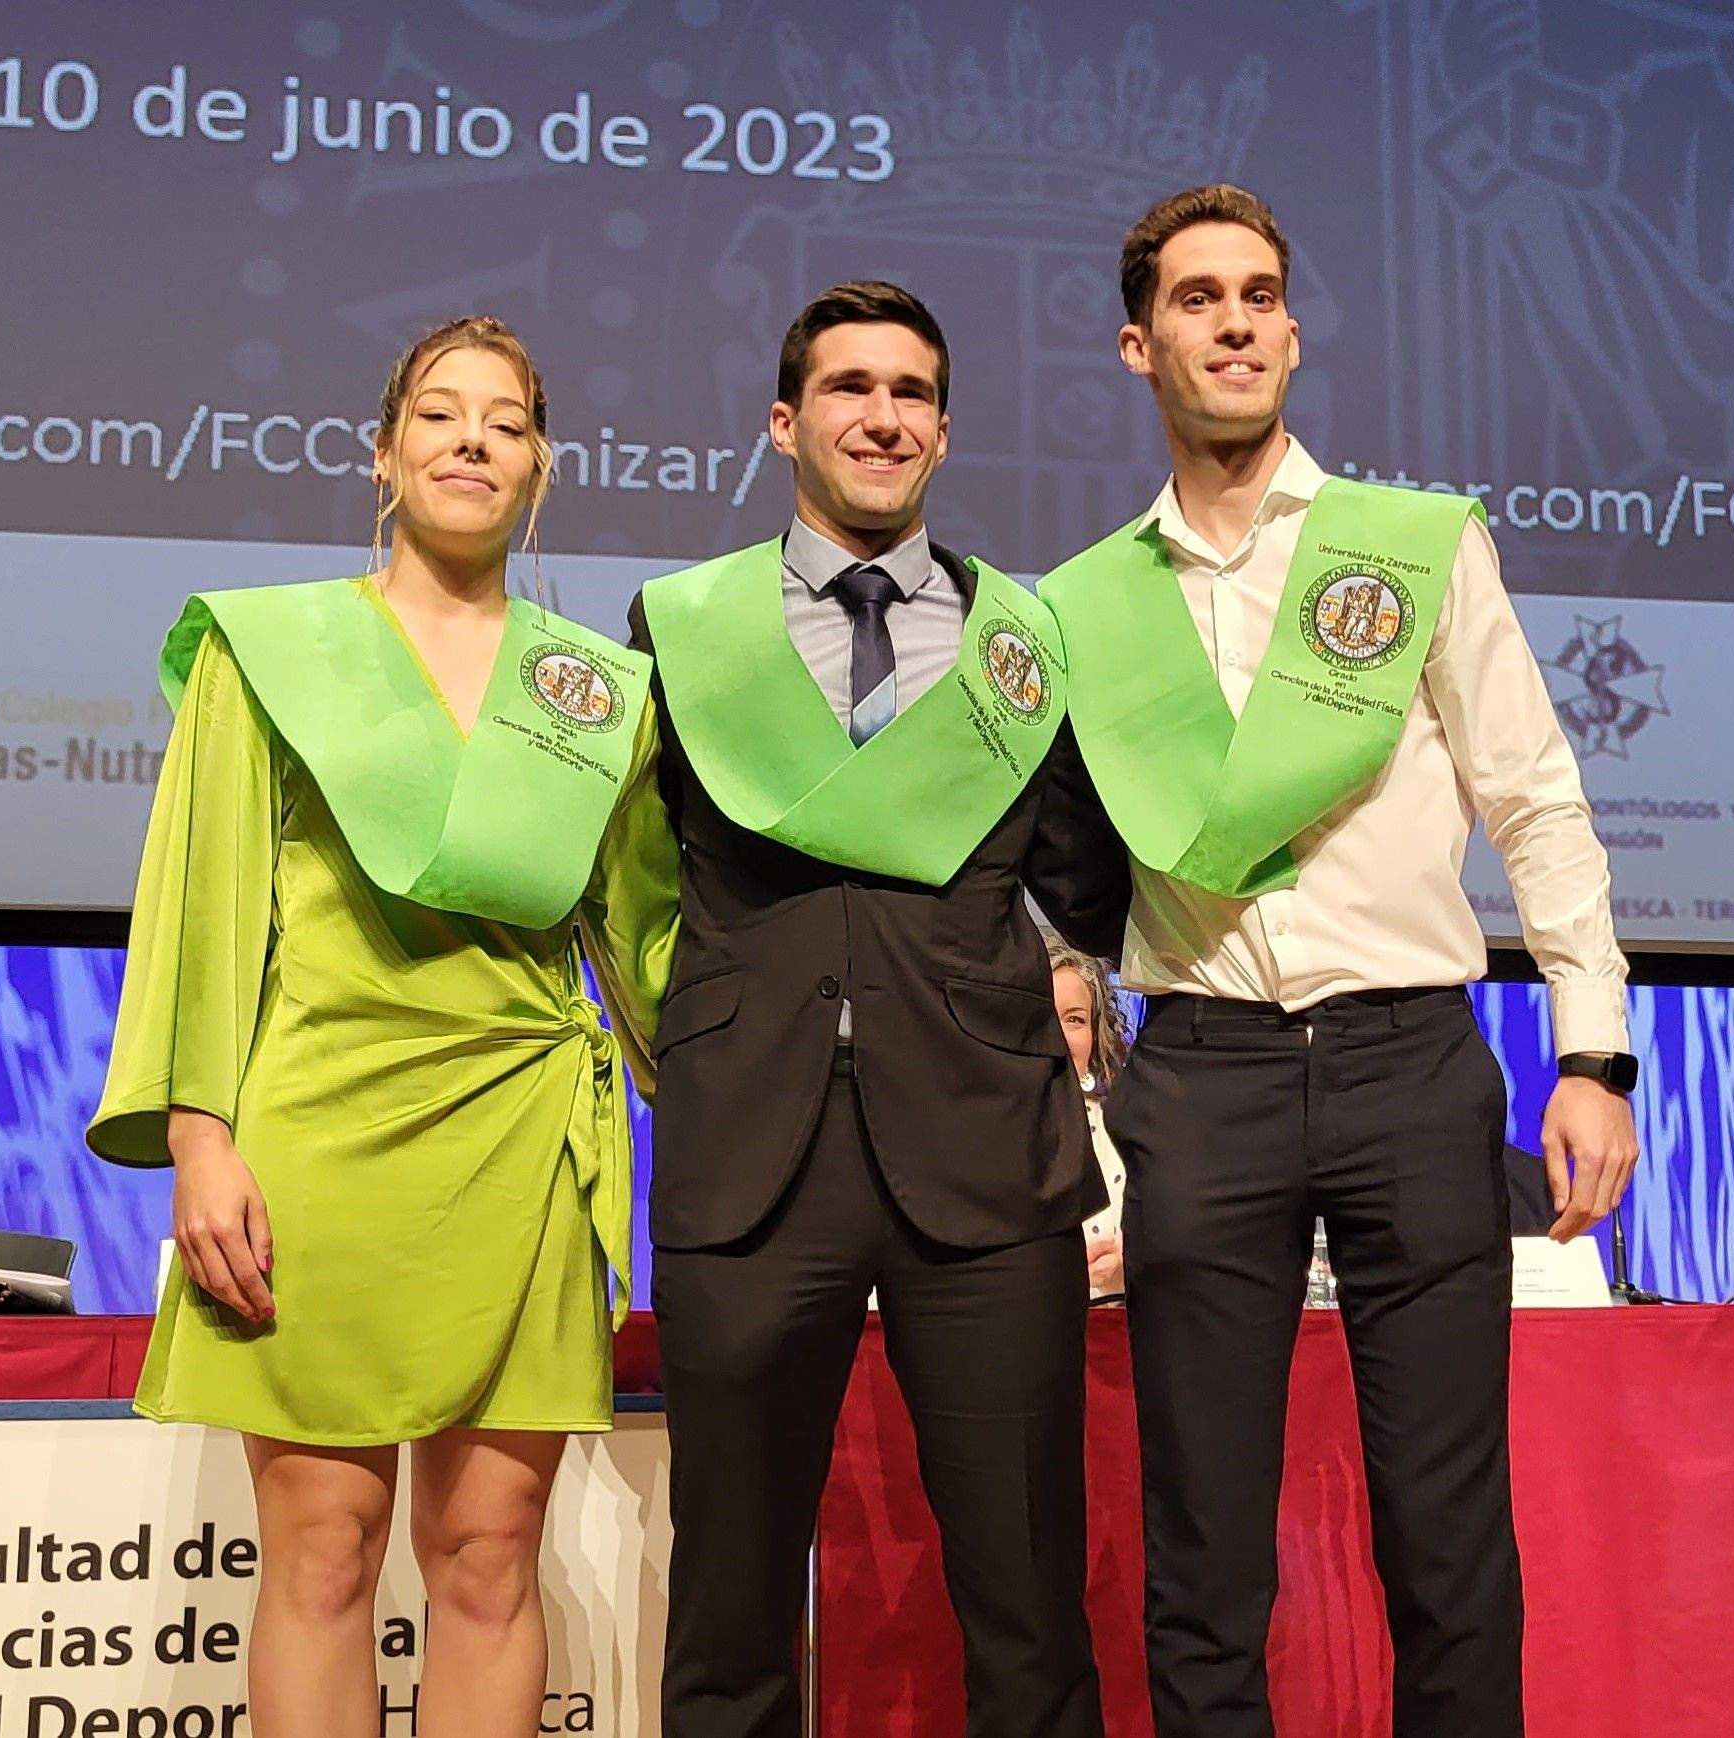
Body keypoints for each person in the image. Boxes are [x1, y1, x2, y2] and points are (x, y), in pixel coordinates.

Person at [1038, 185, 1643, 1736]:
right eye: (1194, 298)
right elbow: (1065, 869)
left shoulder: (1412, 544)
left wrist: (1590, 1054)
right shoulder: (1081, 605)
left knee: (1445, 1536)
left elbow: (1536, 800)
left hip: (1407, 1062)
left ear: (1291, 332)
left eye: (1257, 294)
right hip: (1207, 1081)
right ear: (1137, 343)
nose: (1232, 321)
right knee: (1205, 1548)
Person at [85, 316, 676, 1737]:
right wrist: (198, 1128)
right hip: (318, 1138)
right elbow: (201, 896)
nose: (471, 439)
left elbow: (647, 938)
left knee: (485, 1561)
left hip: (524, 1144)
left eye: (505, 421)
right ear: (382, 453)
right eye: (438, 413)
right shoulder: (269, 651)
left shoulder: (591, 694)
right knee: (323, 1554)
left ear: (540, 467)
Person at [628, 281, 1126, 1737]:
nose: (882, 415)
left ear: (943, 432)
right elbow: (633, 873)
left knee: (1028, 1598)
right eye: (849, 387)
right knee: (726, 1603)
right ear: (786, 423)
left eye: (910, 392)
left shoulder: (1020, 640)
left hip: (983, 1152)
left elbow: (1085, 884)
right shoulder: (678, 626)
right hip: (749, 1152)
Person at [1048, 937, 1132, 1300]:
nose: (1059, 1037)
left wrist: (1133, 1262)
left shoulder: (1124, 1133)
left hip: (1112, 1329)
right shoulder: (972, 1136)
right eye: (1044, 1017)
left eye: (1075, 1019)